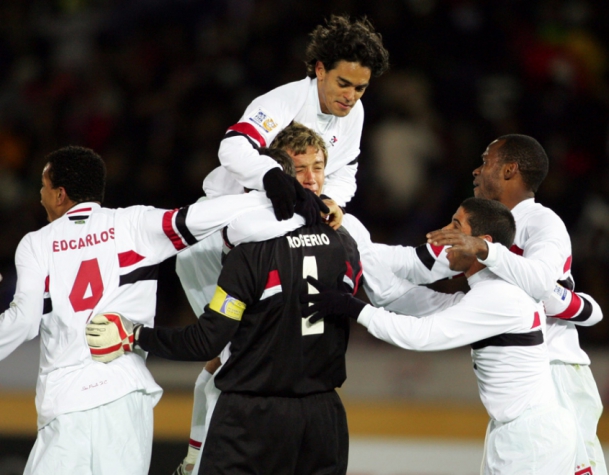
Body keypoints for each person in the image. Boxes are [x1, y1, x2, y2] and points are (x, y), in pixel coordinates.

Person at [0, 145, 296, 475]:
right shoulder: (134, 224)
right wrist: (279, 198)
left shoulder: (36, 243)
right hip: (127, 397)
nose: (39, 196)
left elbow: (23, 321)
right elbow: (198, 217)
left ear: (59, 195)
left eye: (43, 186)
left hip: (68, 404)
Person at [88, 182, 363, 475]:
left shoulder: (250, 255)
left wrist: (137, 335)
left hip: (252, 421)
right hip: (324, 421)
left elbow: (205, 342)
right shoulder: (344, 244)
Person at [303, 197, 579, 474]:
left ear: (482, 242)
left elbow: (420, 335)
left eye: (456, 225)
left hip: (530, 440)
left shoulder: (498, 298)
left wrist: (352, 307)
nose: (445, 232)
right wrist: (346, 223)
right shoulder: (494, 292)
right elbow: (406, 298)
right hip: (524, 433)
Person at [422, 135, 606, 475]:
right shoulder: (488, 227)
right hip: (520, 387)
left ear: (509, 170)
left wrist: (486, 251)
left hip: (555, 369)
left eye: (485, 160)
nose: (476, 170)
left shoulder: (541, 222)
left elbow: (540, 283)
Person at [204, 14, 389, 213]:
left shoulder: (355, 112)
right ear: (320, 70)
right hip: (231, 207)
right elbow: (233, 146)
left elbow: (345, 169)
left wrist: (329, 201)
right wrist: (269, 174)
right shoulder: (284, 101)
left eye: (360, 88)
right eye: (342, 84)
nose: (350, 96)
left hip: (292, 215)